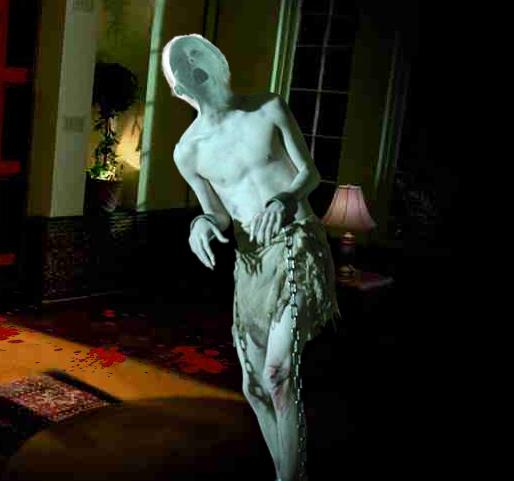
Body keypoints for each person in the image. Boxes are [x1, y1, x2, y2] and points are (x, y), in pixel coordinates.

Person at [161, 34, 340, 481]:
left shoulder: (268, 107)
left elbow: (310, 173)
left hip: (297, 240)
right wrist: (200, 224)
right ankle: (289, 472)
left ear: (218, 60)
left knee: (278, 372)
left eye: (199, 52)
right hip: (251, 261)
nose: (195, 63)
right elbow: (217, 213)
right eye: (183, 62)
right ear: (178, 87)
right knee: (255, 385)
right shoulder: (188, 151)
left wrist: (284, 199)